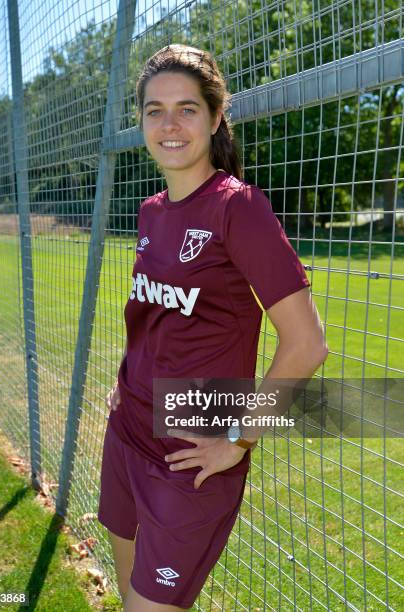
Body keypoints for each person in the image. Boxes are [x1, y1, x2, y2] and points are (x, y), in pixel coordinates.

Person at [97, 44, 328, 611]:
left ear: (216, 115)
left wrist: (238, 440)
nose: (169, 125)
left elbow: (308, 345)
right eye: (154, 110)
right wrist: (129, 379)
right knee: (126, 590)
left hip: (192, 453)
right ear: (141, 121)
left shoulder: (237, 207)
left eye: (186, 109)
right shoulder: (151, 211)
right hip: (128, 430)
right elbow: (154, 316)